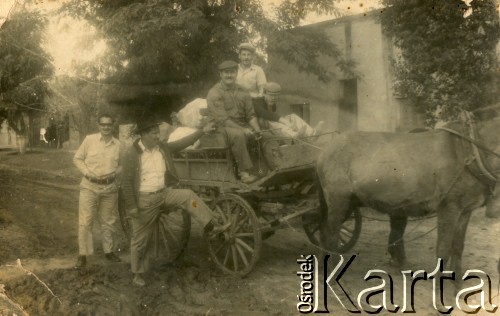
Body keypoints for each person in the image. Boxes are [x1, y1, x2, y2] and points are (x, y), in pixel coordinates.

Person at [120, 116, 229, 287]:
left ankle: (210, 225)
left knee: (188, 196)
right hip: (145, 200)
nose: (158, 136)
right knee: (140, 239)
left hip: (164, 194)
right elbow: (126, 182)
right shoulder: (131, 153)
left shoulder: (162, 147)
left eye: (158, 132)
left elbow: (182, 143)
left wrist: (202, 131)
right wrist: (132, 207)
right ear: (143, 135)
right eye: (154, 133)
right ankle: (137, 273)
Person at [73, 113, 122, 268]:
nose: (106, 127)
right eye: (103, 124)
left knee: (109, 221)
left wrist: (116, 173)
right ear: (99, 125)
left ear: (113, 125)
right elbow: (77, 158)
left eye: (109, 124)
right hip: (89, 186)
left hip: (110, 187)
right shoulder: (89, 140)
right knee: (86, 222)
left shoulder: (119, 145)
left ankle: (109, 251)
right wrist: (87, 173)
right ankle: (83, 254)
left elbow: (123, 164)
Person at [207, 60, 263, 183]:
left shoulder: (243, 91)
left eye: (232, 72)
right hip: (219, 128)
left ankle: (263, 170)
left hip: (241, 125)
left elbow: (250, 115)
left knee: (264, 134)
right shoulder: (214, 92)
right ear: (220, 74)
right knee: (238, 135)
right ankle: (244, 173)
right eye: (226, 73)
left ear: (236, 73)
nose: (229, 75)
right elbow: (223, 119)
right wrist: (244, 130)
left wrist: (257, 130)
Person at [253, 82, 324, 138]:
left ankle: (312, 134)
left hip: (270, 125)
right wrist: (286, 123)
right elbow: (265, 114)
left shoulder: (271, 103)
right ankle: (294, 135)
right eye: (271, 95)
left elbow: (274, 116)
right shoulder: (257, 101)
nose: (273, 98)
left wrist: (288, 122)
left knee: (292, 116)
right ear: (264, 93)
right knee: (271, 121)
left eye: (275, 95)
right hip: (259, 126)